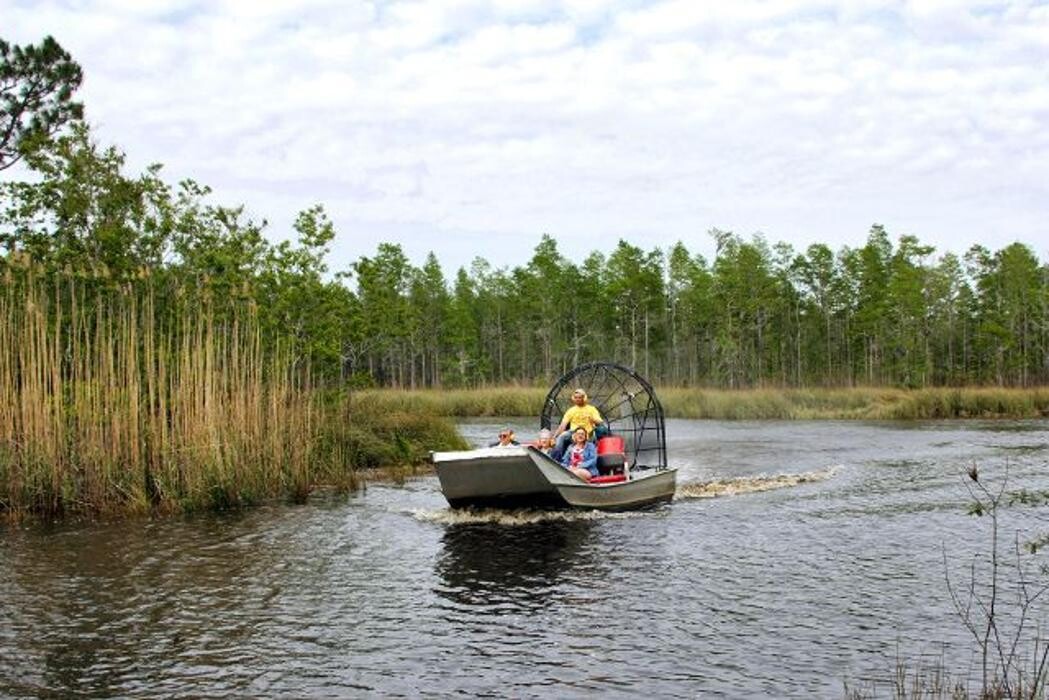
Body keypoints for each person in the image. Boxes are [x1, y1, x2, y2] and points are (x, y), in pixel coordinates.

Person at [552, 388, 604, 461]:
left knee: (590, 438)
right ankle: (556, 459)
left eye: (579, 397)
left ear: (584, 398)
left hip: (588, 433)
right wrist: (554, 437)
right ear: (573, 398)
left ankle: (586, 458)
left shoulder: (591, 409)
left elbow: (600, 422)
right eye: (576, 398)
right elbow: (563, 425)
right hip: (573, 432)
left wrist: (593, 419)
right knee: (562, 437)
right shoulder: (571, 410)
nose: (577, 399)